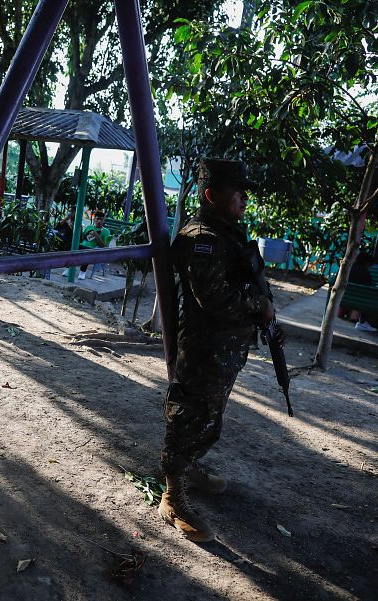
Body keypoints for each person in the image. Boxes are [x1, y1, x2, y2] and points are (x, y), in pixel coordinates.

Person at [158, 158, 280, 543]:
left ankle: (190, 467)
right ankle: (173, 495)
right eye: (237, 192)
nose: (244, 199)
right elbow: (214, 297)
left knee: (211, 416)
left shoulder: (226, 233)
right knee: (189, 414)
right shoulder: (202, 240)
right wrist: (257, 307)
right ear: (212, 195)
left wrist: (267, 315)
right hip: (204, 350)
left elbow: (248, 279)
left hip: (226, 350)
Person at [77, 209, 112, 279]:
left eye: (101, 219)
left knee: (87, 252)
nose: (99, 221)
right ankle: (68, 268)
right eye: (97, 219)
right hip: (82, 245)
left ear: (103, 220)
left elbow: (105, 246)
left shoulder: (106, 231)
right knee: (71, 246)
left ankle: (82, 272)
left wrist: (96, 235)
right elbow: (81, 238)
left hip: (93, 249)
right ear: (94, 219)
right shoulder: (89, 227)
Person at [349, 251, 376, 332]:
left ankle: (354, 317)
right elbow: (368, 290)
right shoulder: (365, 273)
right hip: (358, 300)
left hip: (344, 297)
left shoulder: (349, 267)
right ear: (367, 263)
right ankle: (365, 323)